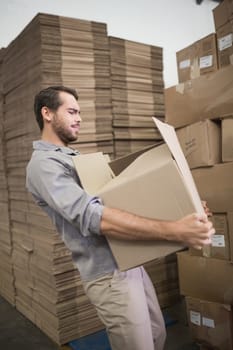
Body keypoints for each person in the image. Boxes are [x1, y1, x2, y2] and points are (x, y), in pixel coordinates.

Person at [26, 86, 215, 350]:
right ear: (47, 113)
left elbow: (122, 201)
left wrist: (184, 210)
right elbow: (93, 216)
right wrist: (174, 230)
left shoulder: (74, 158)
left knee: (156, 334)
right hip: (108, 274)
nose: (79, 118)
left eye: (79, 112)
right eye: (71, 111)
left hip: (128, 261)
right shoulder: (44, 165)